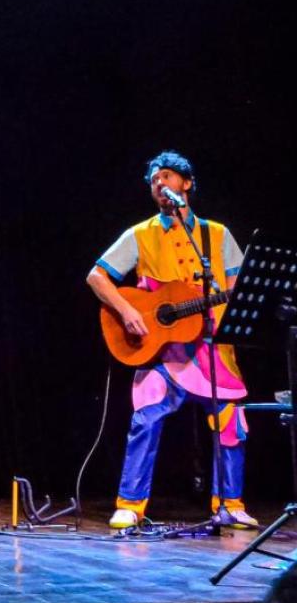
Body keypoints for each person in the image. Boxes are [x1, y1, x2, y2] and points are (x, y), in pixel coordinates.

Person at [87, 150, 255, 529]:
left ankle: (230, 502)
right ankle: (130, 503)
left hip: (212, 351)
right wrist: (129, 311)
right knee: (145, 419)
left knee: (231, 422)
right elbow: (97, 276)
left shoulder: (216, 234)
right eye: (153, 180)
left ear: (187, 183)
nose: (159, 184)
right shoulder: (141, 234)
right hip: (164, 351)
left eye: (166, 176)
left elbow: (237, 288)